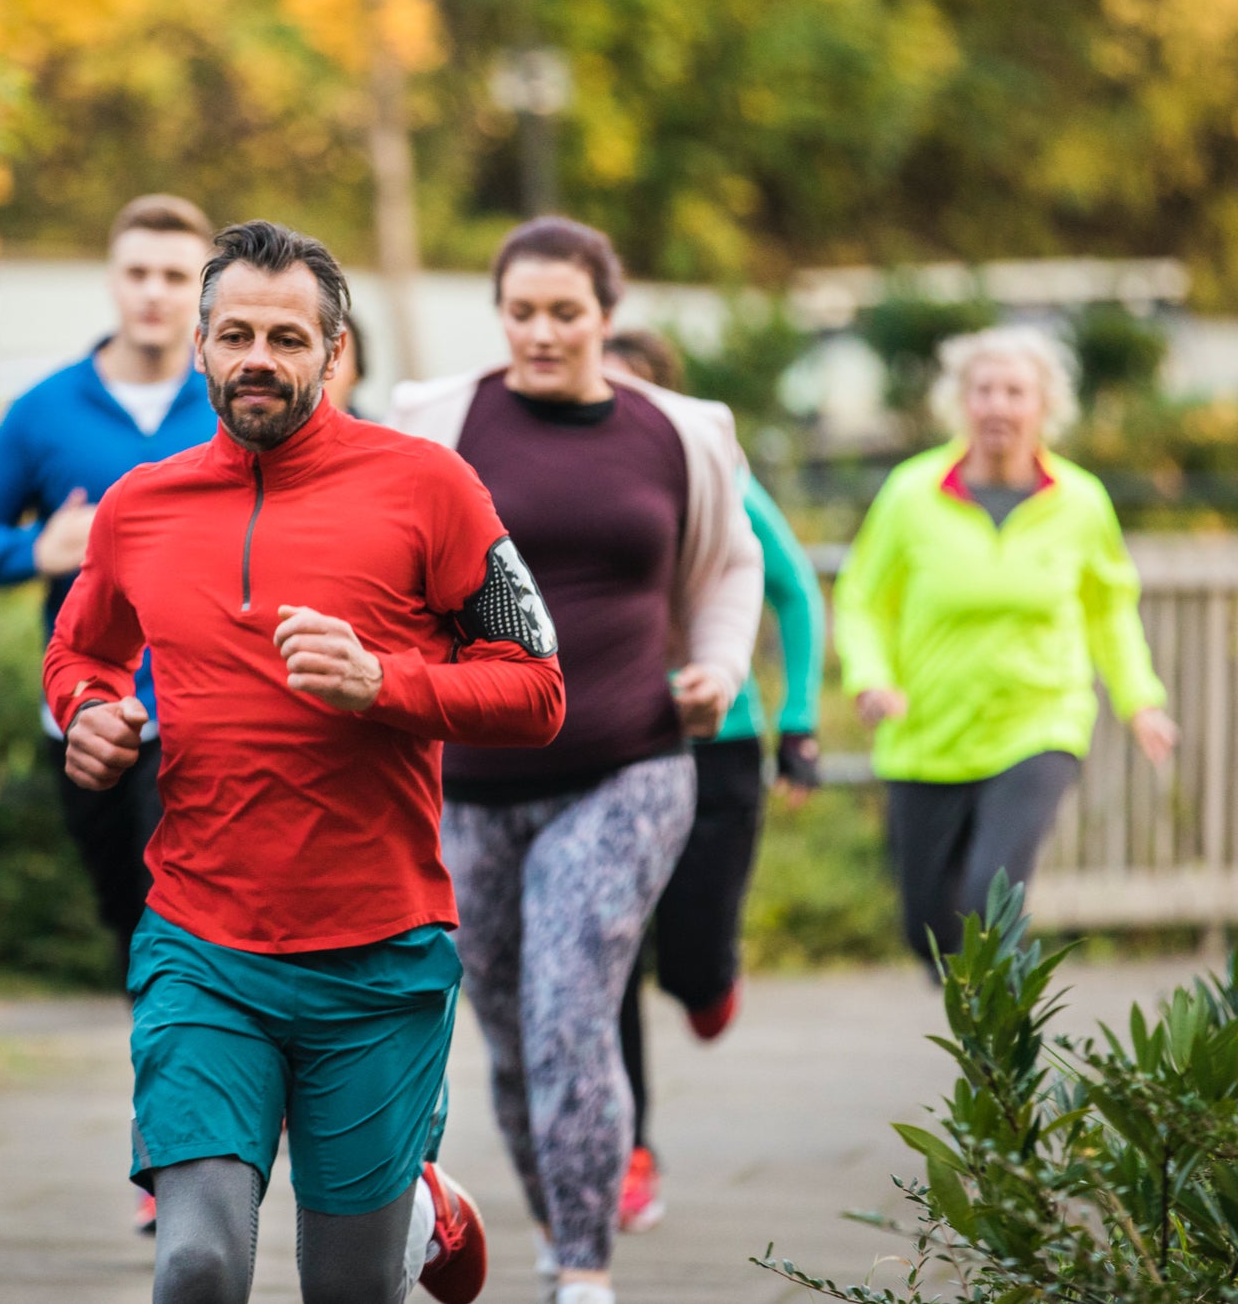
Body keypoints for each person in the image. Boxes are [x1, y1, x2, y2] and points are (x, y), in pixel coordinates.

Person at [44, 220, 566, 1304]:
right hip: (202, 941)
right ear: (198, 346)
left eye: (287, 337)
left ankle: (415, 1208)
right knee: (194, 1262)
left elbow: (537, 688)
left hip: (378, 956)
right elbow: (84, 649)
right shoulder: (140, 505)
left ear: (332, 353)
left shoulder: (432, 485)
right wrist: (87, 709)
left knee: (348, 1288)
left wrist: (386, 683)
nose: (257, 359)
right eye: (234, 333)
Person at [387, 218, 762, 1304]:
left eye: (564, 312)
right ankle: (564, 1217)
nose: (540, 333)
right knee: (505, 1029)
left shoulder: (679, 431)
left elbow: (731, 565)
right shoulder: (438, 419)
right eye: (519, 312)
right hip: (470, 780)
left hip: (627, 763)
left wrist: (720, 664)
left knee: (569, 1009)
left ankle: (584, 1268)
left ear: (608, 310)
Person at [835, 324, 1177, 965]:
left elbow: (1109, 612)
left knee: (989, 897)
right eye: (983, 390)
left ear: (1045, 405)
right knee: (928, 930)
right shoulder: (911, 494)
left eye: (1015, 391)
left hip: (1038, 723)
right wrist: (870, 676)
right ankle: (988, 1037)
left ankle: (1006, 1061)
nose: (998, 405)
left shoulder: (1080, 502)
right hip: (925, 732)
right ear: (960, 403)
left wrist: (1140, 701)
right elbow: (862, 600)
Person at [0, 194, 217, 997]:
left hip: (208, 706)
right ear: (111, 280)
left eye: (176, 275)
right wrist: (40, 548)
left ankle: (193, 1088)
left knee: (181, 923)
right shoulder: (44, 410)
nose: (155, 293)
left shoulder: (232, 403)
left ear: (204, 288)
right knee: (126, 909)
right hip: (90, 705)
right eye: (138, 272)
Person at [600, 329, 825, 1233]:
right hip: (607, 744)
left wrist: (800, 721)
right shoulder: (554, 475)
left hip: (717, 745)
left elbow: (796, 590)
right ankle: (629, 1151)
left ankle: (708, 979)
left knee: (689, 961)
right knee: (606, 954)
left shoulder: (714, 470)